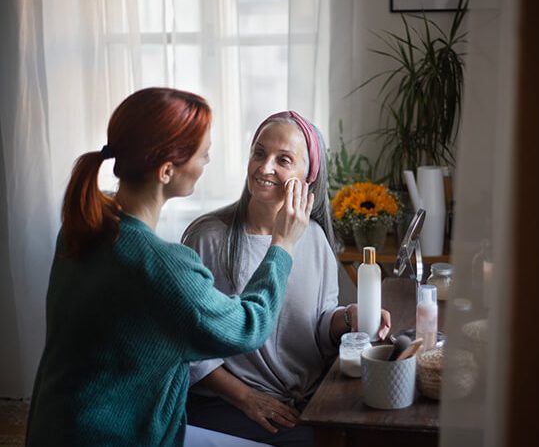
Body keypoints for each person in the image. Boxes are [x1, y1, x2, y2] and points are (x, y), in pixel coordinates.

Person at [25, 88, 313, 447]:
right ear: (166, 170)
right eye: (202, 152)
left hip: (54, 430)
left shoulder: (83, 227)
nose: (208, 160)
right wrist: (283, 245)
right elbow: (249, 327)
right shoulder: (163, 267)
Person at [181, 111, 391, 447]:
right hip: (227, 404)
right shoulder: (208, 239)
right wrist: (247, 399)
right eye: (259, 153)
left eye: (284, 160)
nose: (265, 168)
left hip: (301, 397)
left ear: (309, 176)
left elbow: (318, 326)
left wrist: (350, 318)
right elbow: (191, 348)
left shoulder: (316, 237)